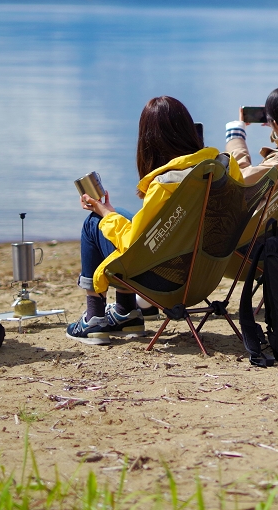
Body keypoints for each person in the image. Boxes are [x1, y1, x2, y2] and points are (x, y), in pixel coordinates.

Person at [68, 95, 243, 344]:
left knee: (94, 224)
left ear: (149, 141)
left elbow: (132, 246)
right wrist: (111, 211)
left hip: (168, 282)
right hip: (206, 275)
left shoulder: (166, 184)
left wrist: (103, 212)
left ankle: (95, 318)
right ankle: (125, 314)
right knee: (124, 216)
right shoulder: (222, 169)